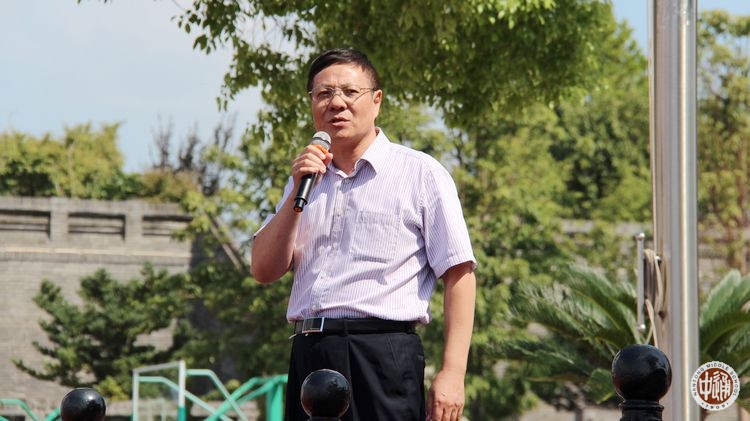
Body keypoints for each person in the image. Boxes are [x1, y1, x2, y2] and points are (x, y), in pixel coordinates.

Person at [251, 47, 476, 421]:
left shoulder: (421, 174)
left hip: (382, 355)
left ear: (376, 101)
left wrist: (453, 372)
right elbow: (263, 269)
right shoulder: (304, 180)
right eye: (324, 93)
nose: (336, 103)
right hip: (309, 353)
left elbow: (459, 273)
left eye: (349, 92)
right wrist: (295, 192)